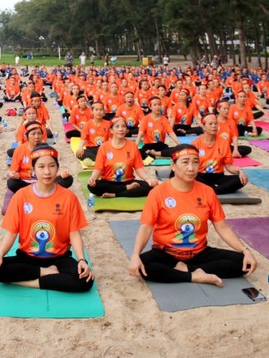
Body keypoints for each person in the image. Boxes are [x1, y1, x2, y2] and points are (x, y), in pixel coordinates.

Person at [127, 144, 257, 285]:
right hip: (166, 253)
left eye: (195, 162)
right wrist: (135, 255)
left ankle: (188, 269)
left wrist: (245, 250)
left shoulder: (207, 192)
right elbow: (146, 227)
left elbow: (222, 227)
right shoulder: (158, 193)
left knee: (244, 263)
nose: (191, 168)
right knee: (143, 266)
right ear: (173, 165)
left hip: (199, 252)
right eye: (185, 162)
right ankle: (195, 276)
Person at [0, 145, 94, 293]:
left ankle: (31, 282)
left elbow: (74, 233)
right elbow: (11, 233)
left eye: (51, 166)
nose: (47, 172)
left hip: (60, 258)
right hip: (28, 257)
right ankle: (46, 274)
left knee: (86, 281)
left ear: (58, 168)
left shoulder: (68, 197)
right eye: (41, 166)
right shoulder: (21, 196)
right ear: (33, 169)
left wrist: (82, 259)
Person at [87, 117, 158, 198]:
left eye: (123, 126)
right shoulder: (103, 147)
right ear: (111, 130)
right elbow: (98, 168)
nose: (121, 129)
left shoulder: (133, 146)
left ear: (127, 130)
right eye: (117, 127)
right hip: (108, 182)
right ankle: (126, 189)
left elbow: (138, 168)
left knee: (149, 187)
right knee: (92, 186)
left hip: (128, 181)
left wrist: (148, 180)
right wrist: (93, 178)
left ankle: (115, 194)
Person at [191, 114, 249, 195]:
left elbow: (228, 166)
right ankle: (216, 190)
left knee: (240, 179)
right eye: (210, 124)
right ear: (203, 127)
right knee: (191, 178)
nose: (214, 126)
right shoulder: (196, 143)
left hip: (218, 176)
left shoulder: (224, 142)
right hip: (201, 176)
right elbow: (191, 165)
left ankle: (212, 191)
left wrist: (239, 171)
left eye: (215, 123)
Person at [8, 122, 73, 192]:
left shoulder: (47, 149)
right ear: (27, 136)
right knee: (12, 182)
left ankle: (40, 190)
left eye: (39, 133)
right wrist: (13, 175)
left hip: (45, 181)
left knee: (68, 179)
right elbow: (12, 171)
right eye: (33, 134)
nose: (36, 136)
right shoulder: (19, 150)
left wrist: (61, 173)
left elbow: (52, 169)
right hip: (26, 181)